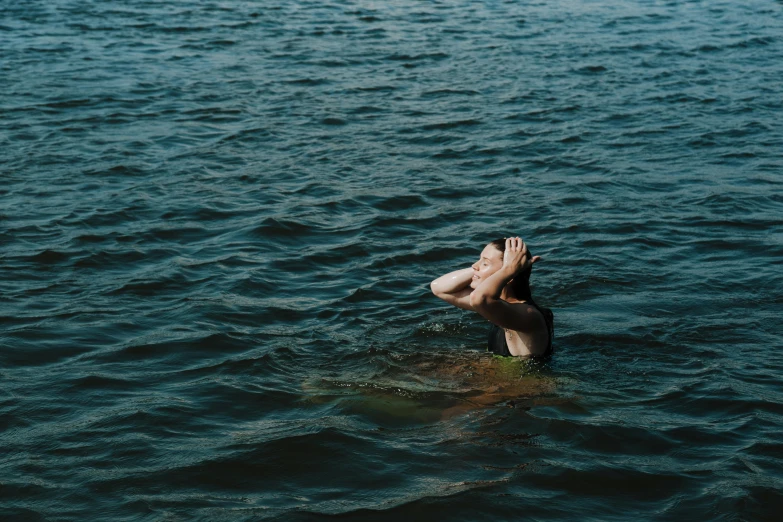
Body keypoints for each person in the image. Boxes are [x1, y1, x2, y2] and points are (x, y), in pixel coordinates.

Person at [430, 237, 554, 358]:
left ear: (509, 275)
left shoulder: (528, 315)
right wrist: (482, 268)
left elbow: (479, 299)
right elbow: (439, 288)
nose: (474, 265)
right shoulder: (497, 305)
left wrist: (509, 269)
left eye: (485, 263)